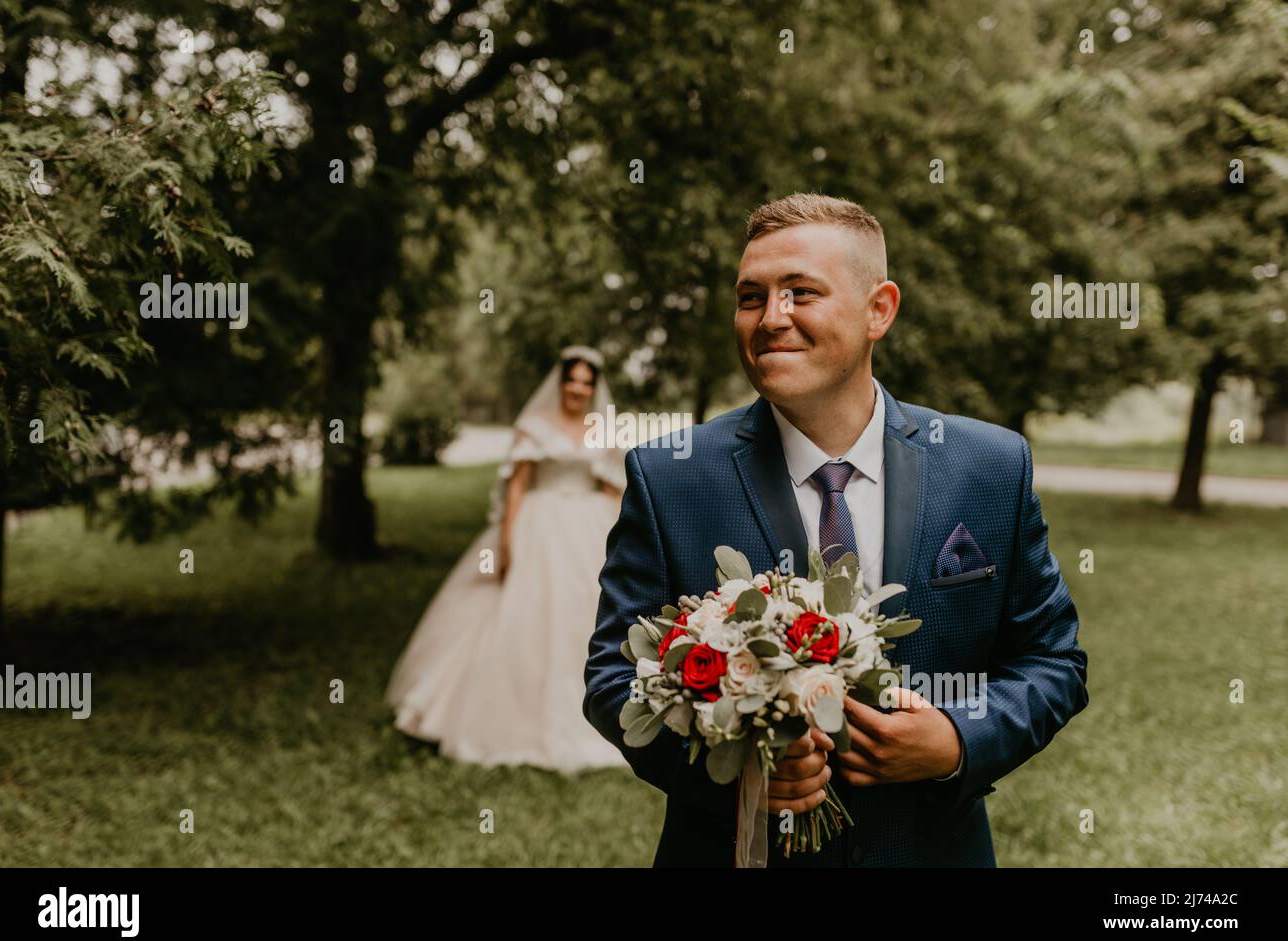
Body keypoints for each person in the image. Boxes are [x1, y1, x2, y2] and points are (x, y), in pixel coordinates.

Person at [584, 193, 1088, 866]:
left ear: (880, 309)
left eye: (800, 292)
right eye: (750, 296)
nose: (770, 319)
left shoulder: (991, 467)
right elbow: (614, 681)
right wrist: (737, 772)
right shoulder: (669, 477)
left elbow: (1053, 660)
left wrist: (957, 739)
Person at [387, 345, 629, 772]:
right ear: (560, 383)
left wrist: (623, 534)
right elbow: (516, 485)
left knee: (587, 613)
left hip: (587, 525)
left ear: (594, 389)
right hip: (539, 521)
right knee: (521, 613)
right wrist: (506, 538)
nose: (577, 388)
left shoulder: (600, 428)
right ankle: (492, 716)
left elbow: (611, 487)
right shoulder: (535, 425)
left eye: (586, 382)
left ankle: (595, 710)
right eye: (571, 380)